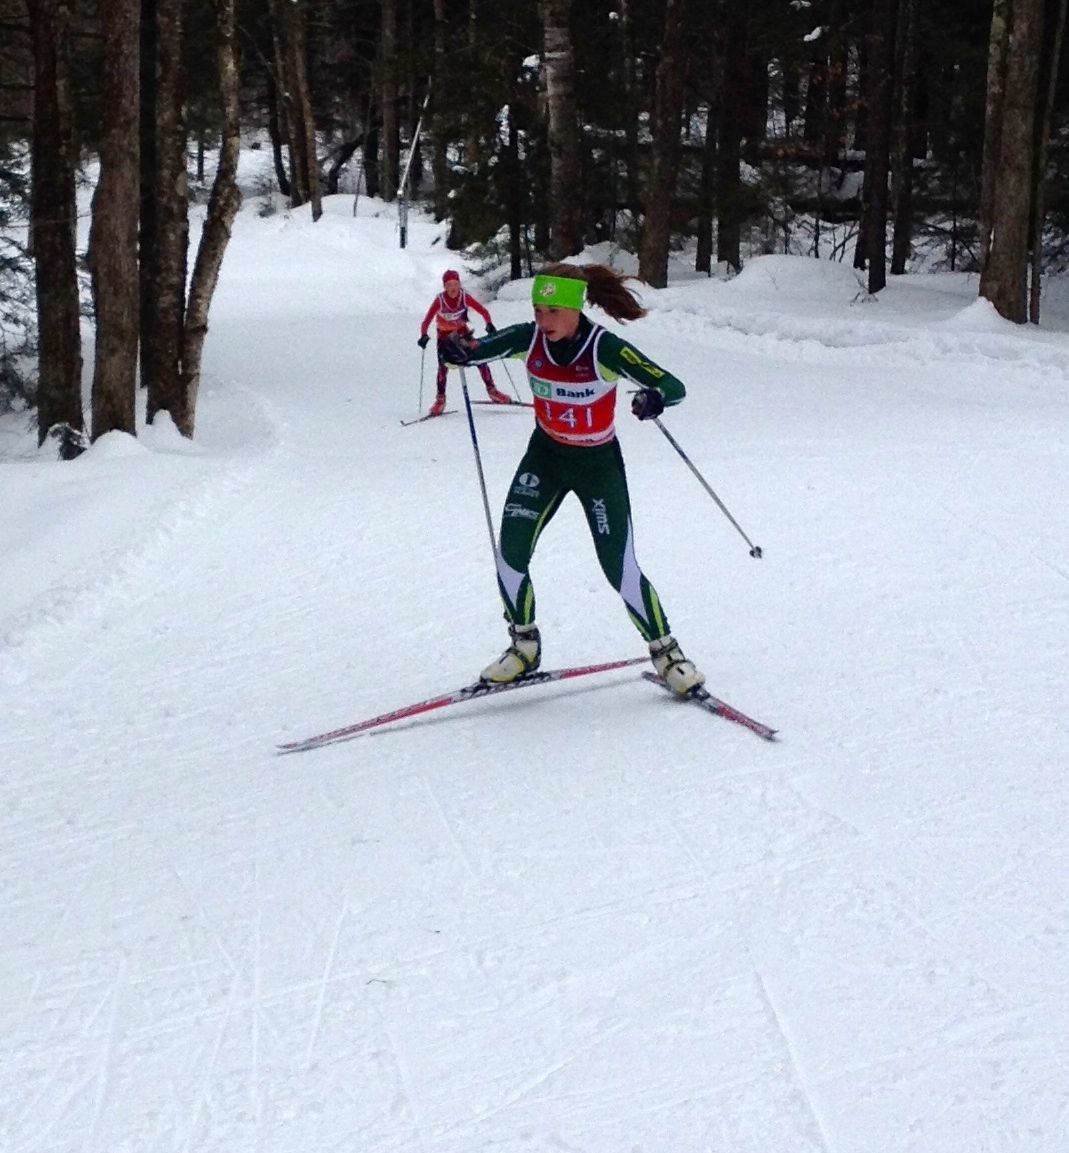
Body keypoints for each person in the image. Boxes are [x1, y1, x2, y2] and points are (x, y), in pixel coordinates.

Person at [440, 262, 706, 696]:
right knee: (510, 550)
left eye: (552, 311)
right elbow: (474, 350)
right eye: (537, 310)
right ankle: (524, 646)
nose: (543, 321)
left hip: (596, 465)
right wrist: (457, 349)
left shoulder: (604, 348)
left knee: (618, 566)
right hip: (545, 458)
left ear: (575, 309)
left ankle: (667, 653)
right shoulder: (528, 338)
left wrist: (654, 398)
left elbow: (672, 385)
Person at [418, 270, 511, 415]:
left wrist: (489, 324)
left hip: (462, 332)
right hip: (444, 335)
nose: (453, 288)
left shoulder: (464, 297)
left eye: (456, 284)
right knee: (443, 366)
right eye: (449, 285)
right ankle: (440, 401)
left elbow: (483, 311)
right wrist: (423, 335)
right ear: (444, 287)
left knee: (480, 357)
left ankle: (492, 391)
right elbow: (426, 321)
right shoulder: (440, 300)